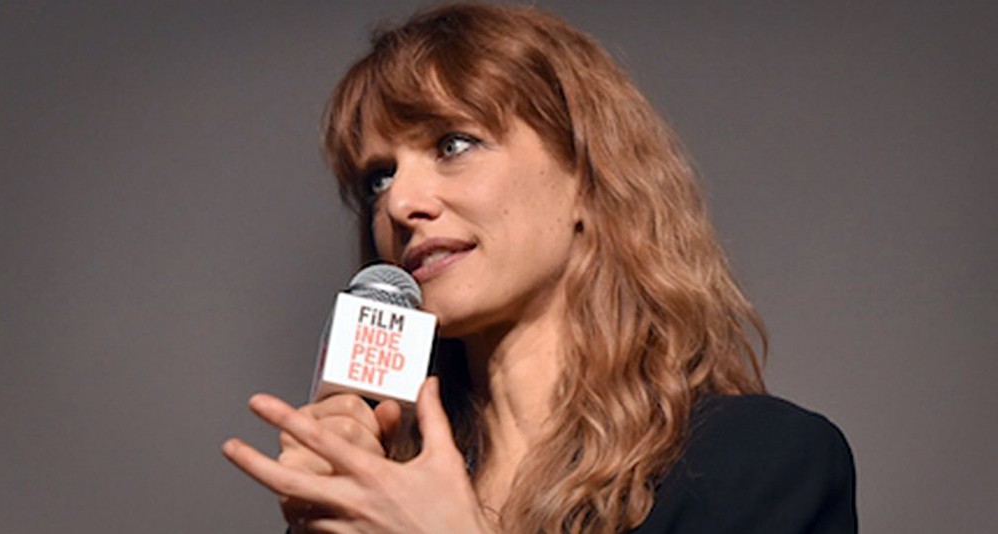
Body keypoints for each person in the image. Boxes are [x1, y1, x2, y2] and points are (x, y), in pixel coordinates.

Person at [222, 3, 857, 533]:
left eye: (453, 144)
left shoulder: (762, 463)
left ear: (587, 177)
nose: (400, 203)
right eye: (378, 178)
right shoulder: (384, 491)